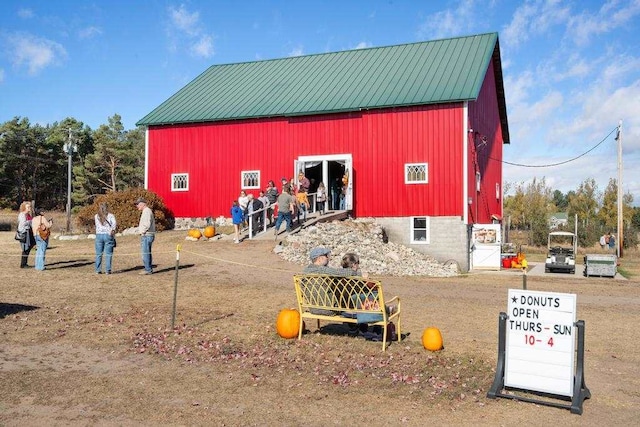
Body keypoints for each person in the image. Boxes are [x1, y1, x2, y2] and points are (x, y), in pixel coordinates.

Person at [135, 197, 156, 275]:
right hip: (148, 235)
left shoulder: (147, 211)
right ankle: (148, 268)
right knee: (147, 252)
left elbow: (147, 224)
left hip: (147, 235)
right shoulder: (146, 211)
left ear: (143, 204)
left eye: (138, 204)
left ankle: (148, 269)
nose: (137, 206)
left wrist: (142, 232)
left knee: (145, 253)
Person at [94, 202, 117, 274]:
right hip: (108, 234)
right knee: (108, 253)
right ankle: (108, 270)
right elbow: (114, 225)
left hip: (99, 235)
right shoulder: (110, 216)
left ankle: (98, 269)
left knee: (98, 254)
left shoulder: (96, 216)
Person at [17, 201, 35, 268]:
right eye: (28, 207)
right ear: (24, 207)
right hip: (24, 233)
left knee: (29, 246)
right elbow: (23, 223)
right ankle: (23, 264)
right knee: (25, 248)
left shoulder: (28, 215)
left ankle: (25, 263)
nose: (29, 208)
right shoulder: (22, 215)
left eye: (30, 206)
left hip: (29, 233)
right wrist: (31, 221)